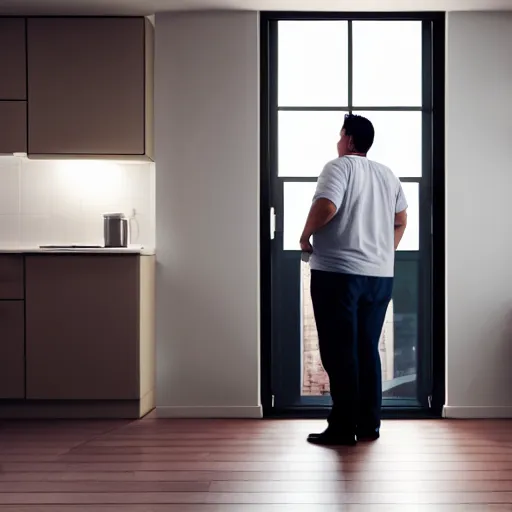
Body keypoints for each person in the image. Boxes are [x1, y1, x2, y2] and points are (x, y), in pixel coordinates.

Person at [299, 114, 408, 446]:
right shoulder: (388, 175)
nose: (337, 141)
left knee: (338, 351)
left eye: (339, 135)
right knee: (366, 350)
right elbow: (401, 220)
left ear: (347, 139)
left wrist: (305, 236)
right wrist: (383, 253)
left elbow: (328, 205)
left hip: (338, 274)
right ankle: (369, 424)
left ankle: (343, 427)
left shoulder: (339, 167)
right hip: (378, 277)